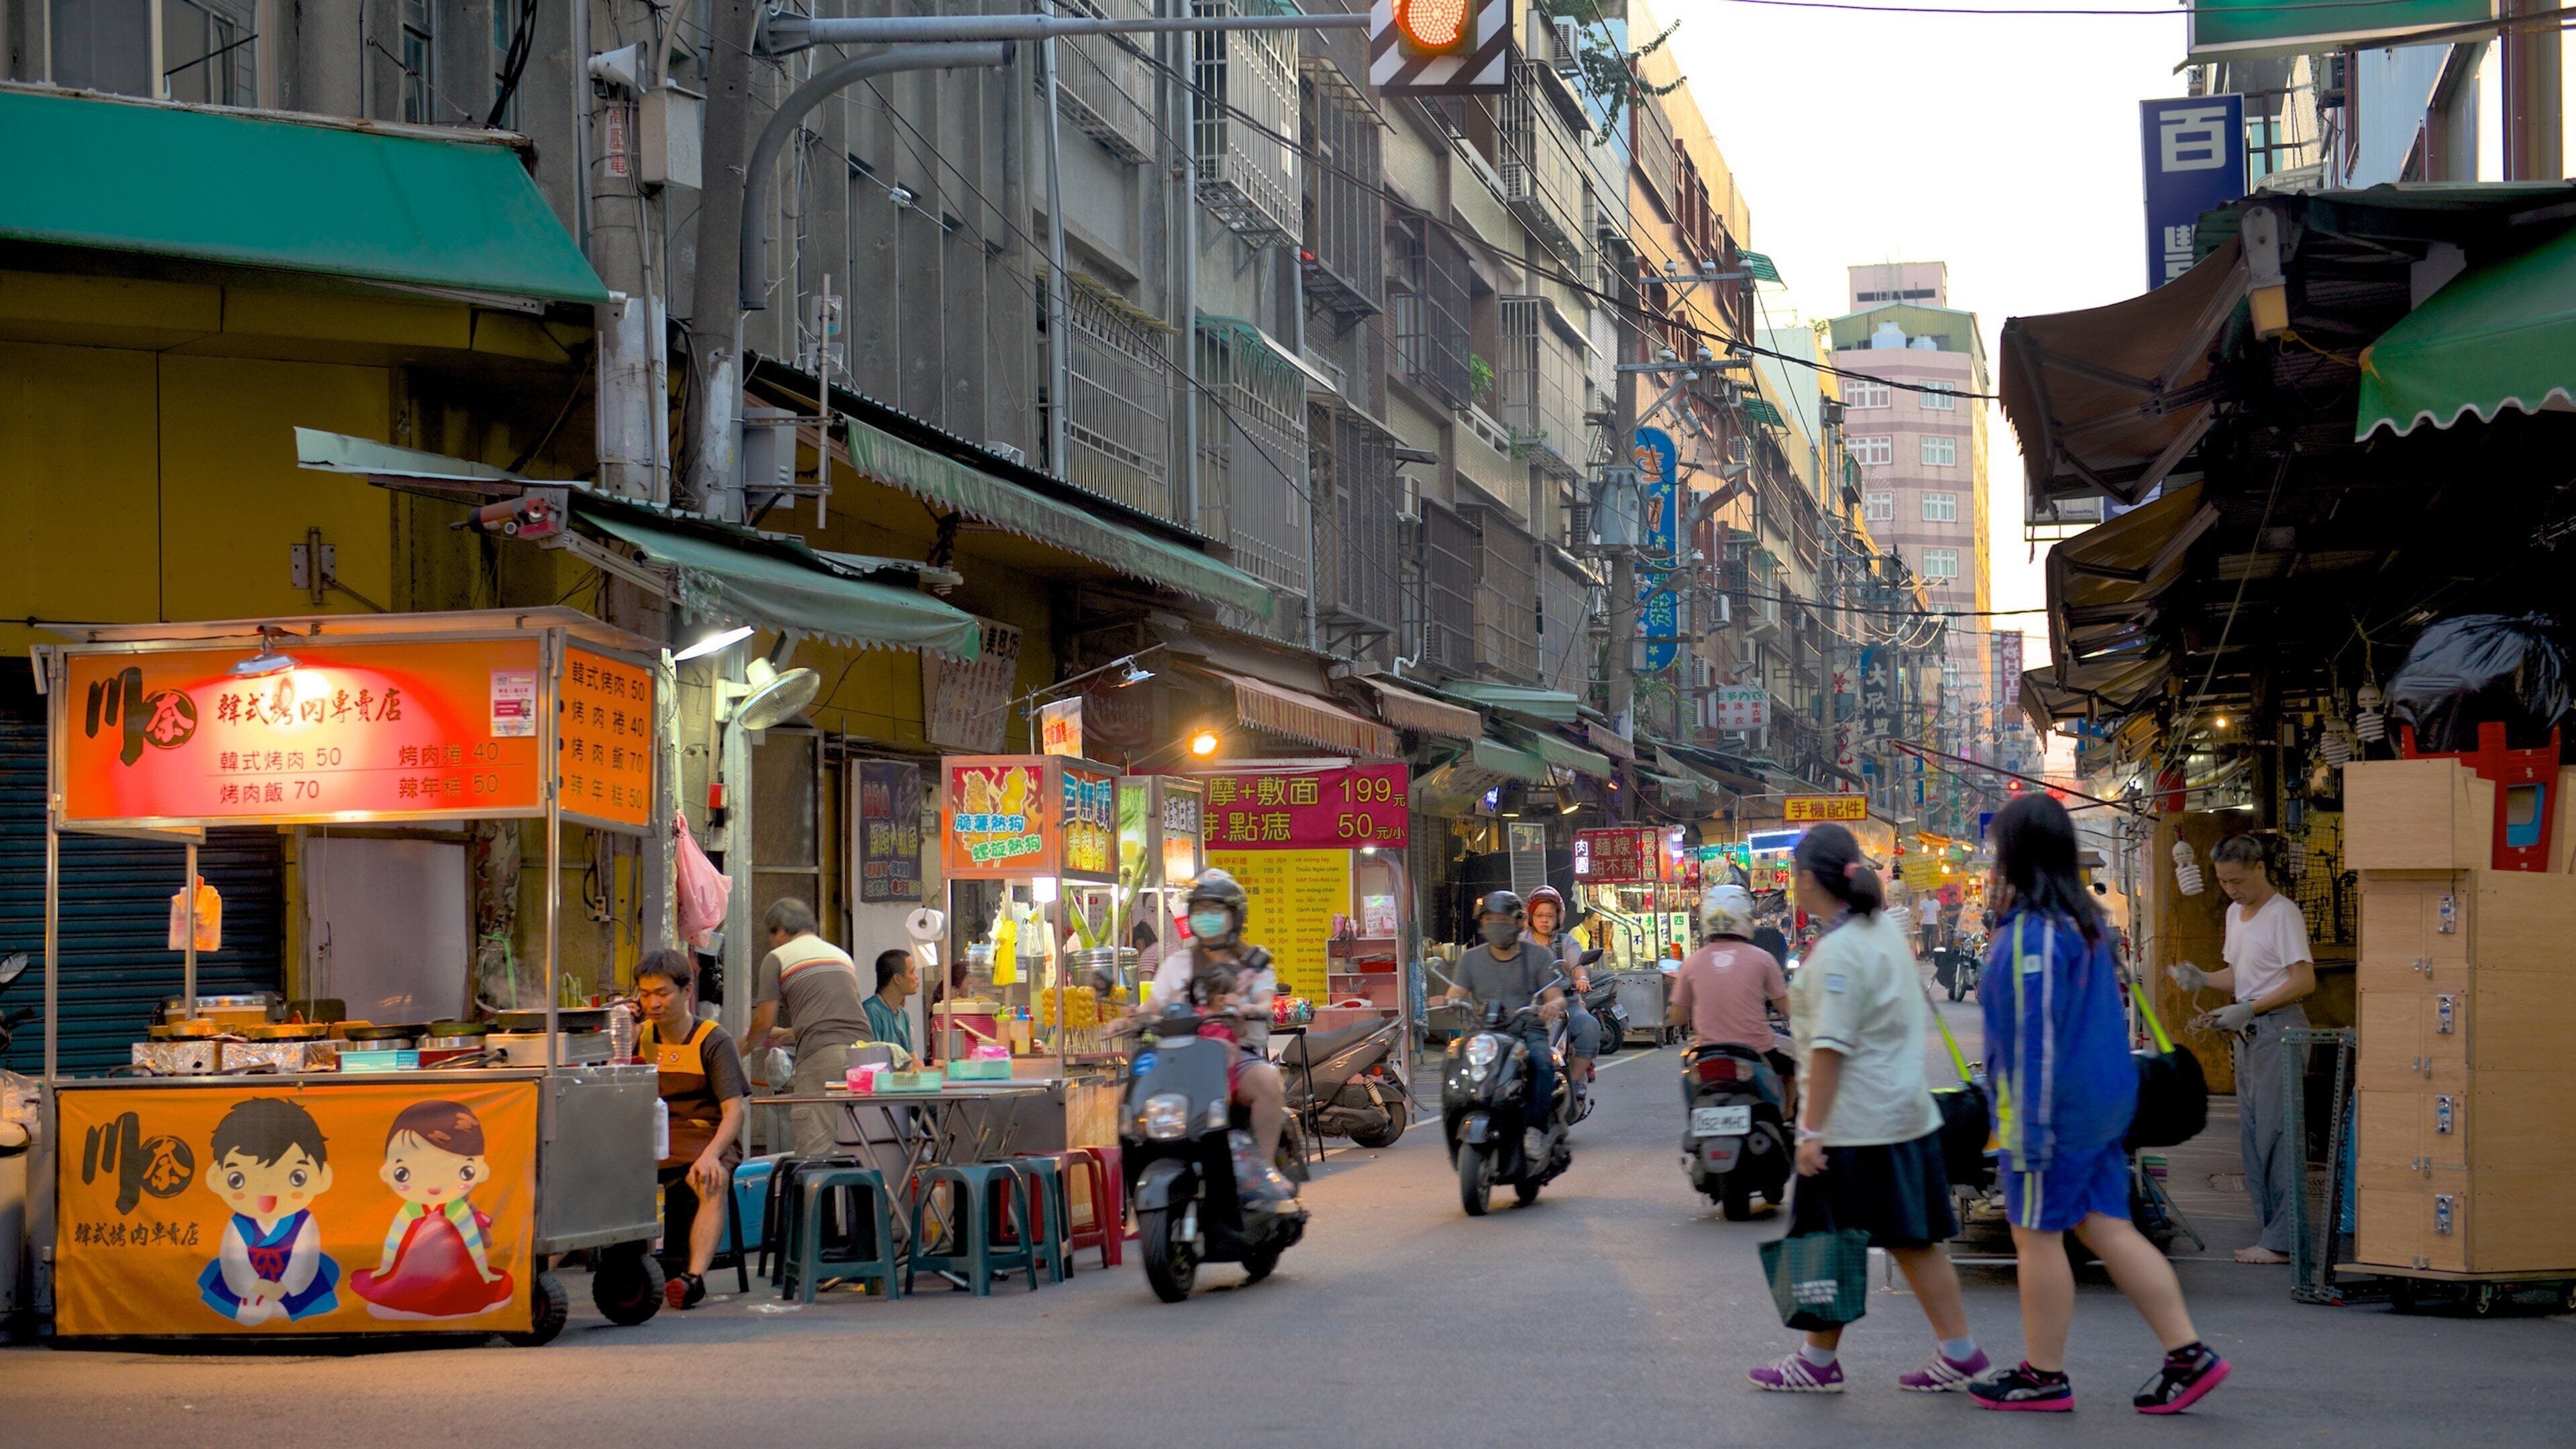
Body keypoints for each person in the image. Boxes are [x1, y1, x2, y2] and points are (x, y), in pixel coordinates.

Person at [1971, 794, 2232, 1413]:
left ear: (2016, 856)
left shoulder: (2031, 938)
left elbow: (2035, 1040)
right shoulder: (2083, 929)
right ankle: (2187, 1353)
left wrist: (2029, 1129)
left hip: (2053, 1116)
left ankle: (2043, 1375)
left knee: (2037, 1236)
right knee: (2109, 1228)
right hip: (2100, 1109)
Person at [1748, 823, 1978, 1395]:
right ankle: (1959, 1352)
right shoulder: (1882, 933)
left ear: (1808, 879)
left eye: (1794, 875)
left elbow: (1830, 1049)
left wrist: (1810, 1132)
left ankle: (1817, 1361)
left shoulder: (1841, 950)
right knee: (1911, 1240)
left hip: (1856, 1125)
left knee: (1825, 1239)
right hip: (1904, 1114)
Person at [2169, 833, 2317, 1265]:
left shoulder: (2282, 914)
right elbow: (2239, 974)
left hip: (2280, 1029)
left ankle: (2283, 1241)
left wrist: (2250, 1007)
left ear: (2260, 869)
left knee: (2278, 1135)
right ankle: (2272, 1235)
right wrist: (2202, 978)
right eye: (2222, 881)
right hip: (2250, 1030)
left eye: (2237, 880)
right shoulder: (2236, 914)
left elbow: (2303, 981)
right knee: (2253, 1137)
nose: (2231, 890)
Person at [1114, 871, 1291, 1193]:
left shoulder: (1253, 963)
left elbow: (1266, 1001)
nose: (1205, 917)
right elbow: (1152, 1006)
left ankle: (1265, 1172)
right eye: (1199, 910)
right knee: (1127, 1096)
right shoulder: (1177, 963)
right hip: (1179, 1058)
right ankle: (1134, 1185)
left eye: (1214, 910)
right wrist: (1129, 1019)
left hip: (1235, 1056)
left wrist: (1251, 1008)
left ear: (1235, 916)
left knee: (1268, 1081)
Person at [636, 949, 748, 1310]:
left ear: (687, 992)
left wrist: (712, 1155)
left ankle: (692, 1279)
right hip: (655, 1135)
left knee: (709, 1179)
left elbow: (734, 1112)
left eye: (662, 993)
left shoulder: (713, 1040)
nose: (653, 1004)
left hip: (707, 1135)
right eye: (645, 994)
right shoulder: (638, 1037)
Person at [1444, 890, 1567, 1165]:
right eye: (1489, 920)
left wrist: (1552, 1005)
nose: (1495, 925)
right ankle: (1457, 1121)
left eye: (1502, 919)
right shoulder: (1471, 959)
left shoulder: (1538, 957)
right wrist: (1447, 1000)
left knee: (1542, 1064)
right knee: (1452, 1061)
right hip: (1482, 1034)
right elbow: (1457, 992)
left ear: (1518, 922)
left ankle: (1535, 1129)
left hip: (1527, 1031)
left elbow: (1556, 996)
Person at [747, 898, 873, 1159]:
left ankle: (819, 1188)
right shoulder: (841, 956)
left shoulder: (778, 957)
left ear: (781, 930)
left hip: (822, 1061)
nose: (772, 942)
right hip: (867, 1056)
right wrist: (787, 1035)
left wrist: (739, 1048)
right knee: (860, 1144)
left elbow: (763, 1023)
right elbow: (837, 1020)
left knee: (817, 1150)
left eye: (772, 935)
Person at [1669, 883, 1794, 1095]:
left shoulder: (1691, 963)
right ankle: (1788, 1111)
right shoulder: (1762, 959)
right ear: (1745, 918)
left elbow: (1678, 1018)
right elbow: (1786, 1008)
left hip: (1707, 1054)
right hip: (1758, 1051)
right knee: (1794, 1063)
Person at [1523, 885, 1600, 1105]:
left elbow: (1578, 965)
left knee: (1589, 1026)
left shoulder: (1566, 942)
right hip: (1527, 1006)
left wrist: (1582, 978)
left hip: (1566, 1004)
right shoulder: (1519, 943)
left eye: (1549, 916)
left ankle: (1575, 1080)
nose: (1544, 920)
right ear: (1531, 917)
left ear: (1559, 917)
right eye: (1539, 915)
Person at [865, 949, 917, 1065]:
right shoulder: (871, 1012)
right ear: (897, 979)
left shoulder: (903, 1014)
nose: (916, 977)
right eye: (912, 972)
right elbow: (874, 1063)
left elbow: (911, 1060)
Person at [1916, 889, 1943, 956]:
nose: (1931, 894)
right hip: (1925, 923)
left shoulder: (1937, 903)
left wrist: (1938, 923)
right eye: (1929, 893)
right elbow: (1920, 912)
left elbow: (1938, 914)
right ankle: (1927, 954)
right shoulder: (1923, 902)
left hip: (1934, 923)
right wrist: (1920, 921)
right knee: (1925, 940)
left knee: (1933, 941)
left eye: (1932, 892)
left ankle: (1932, 955)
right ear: (1927, 894)